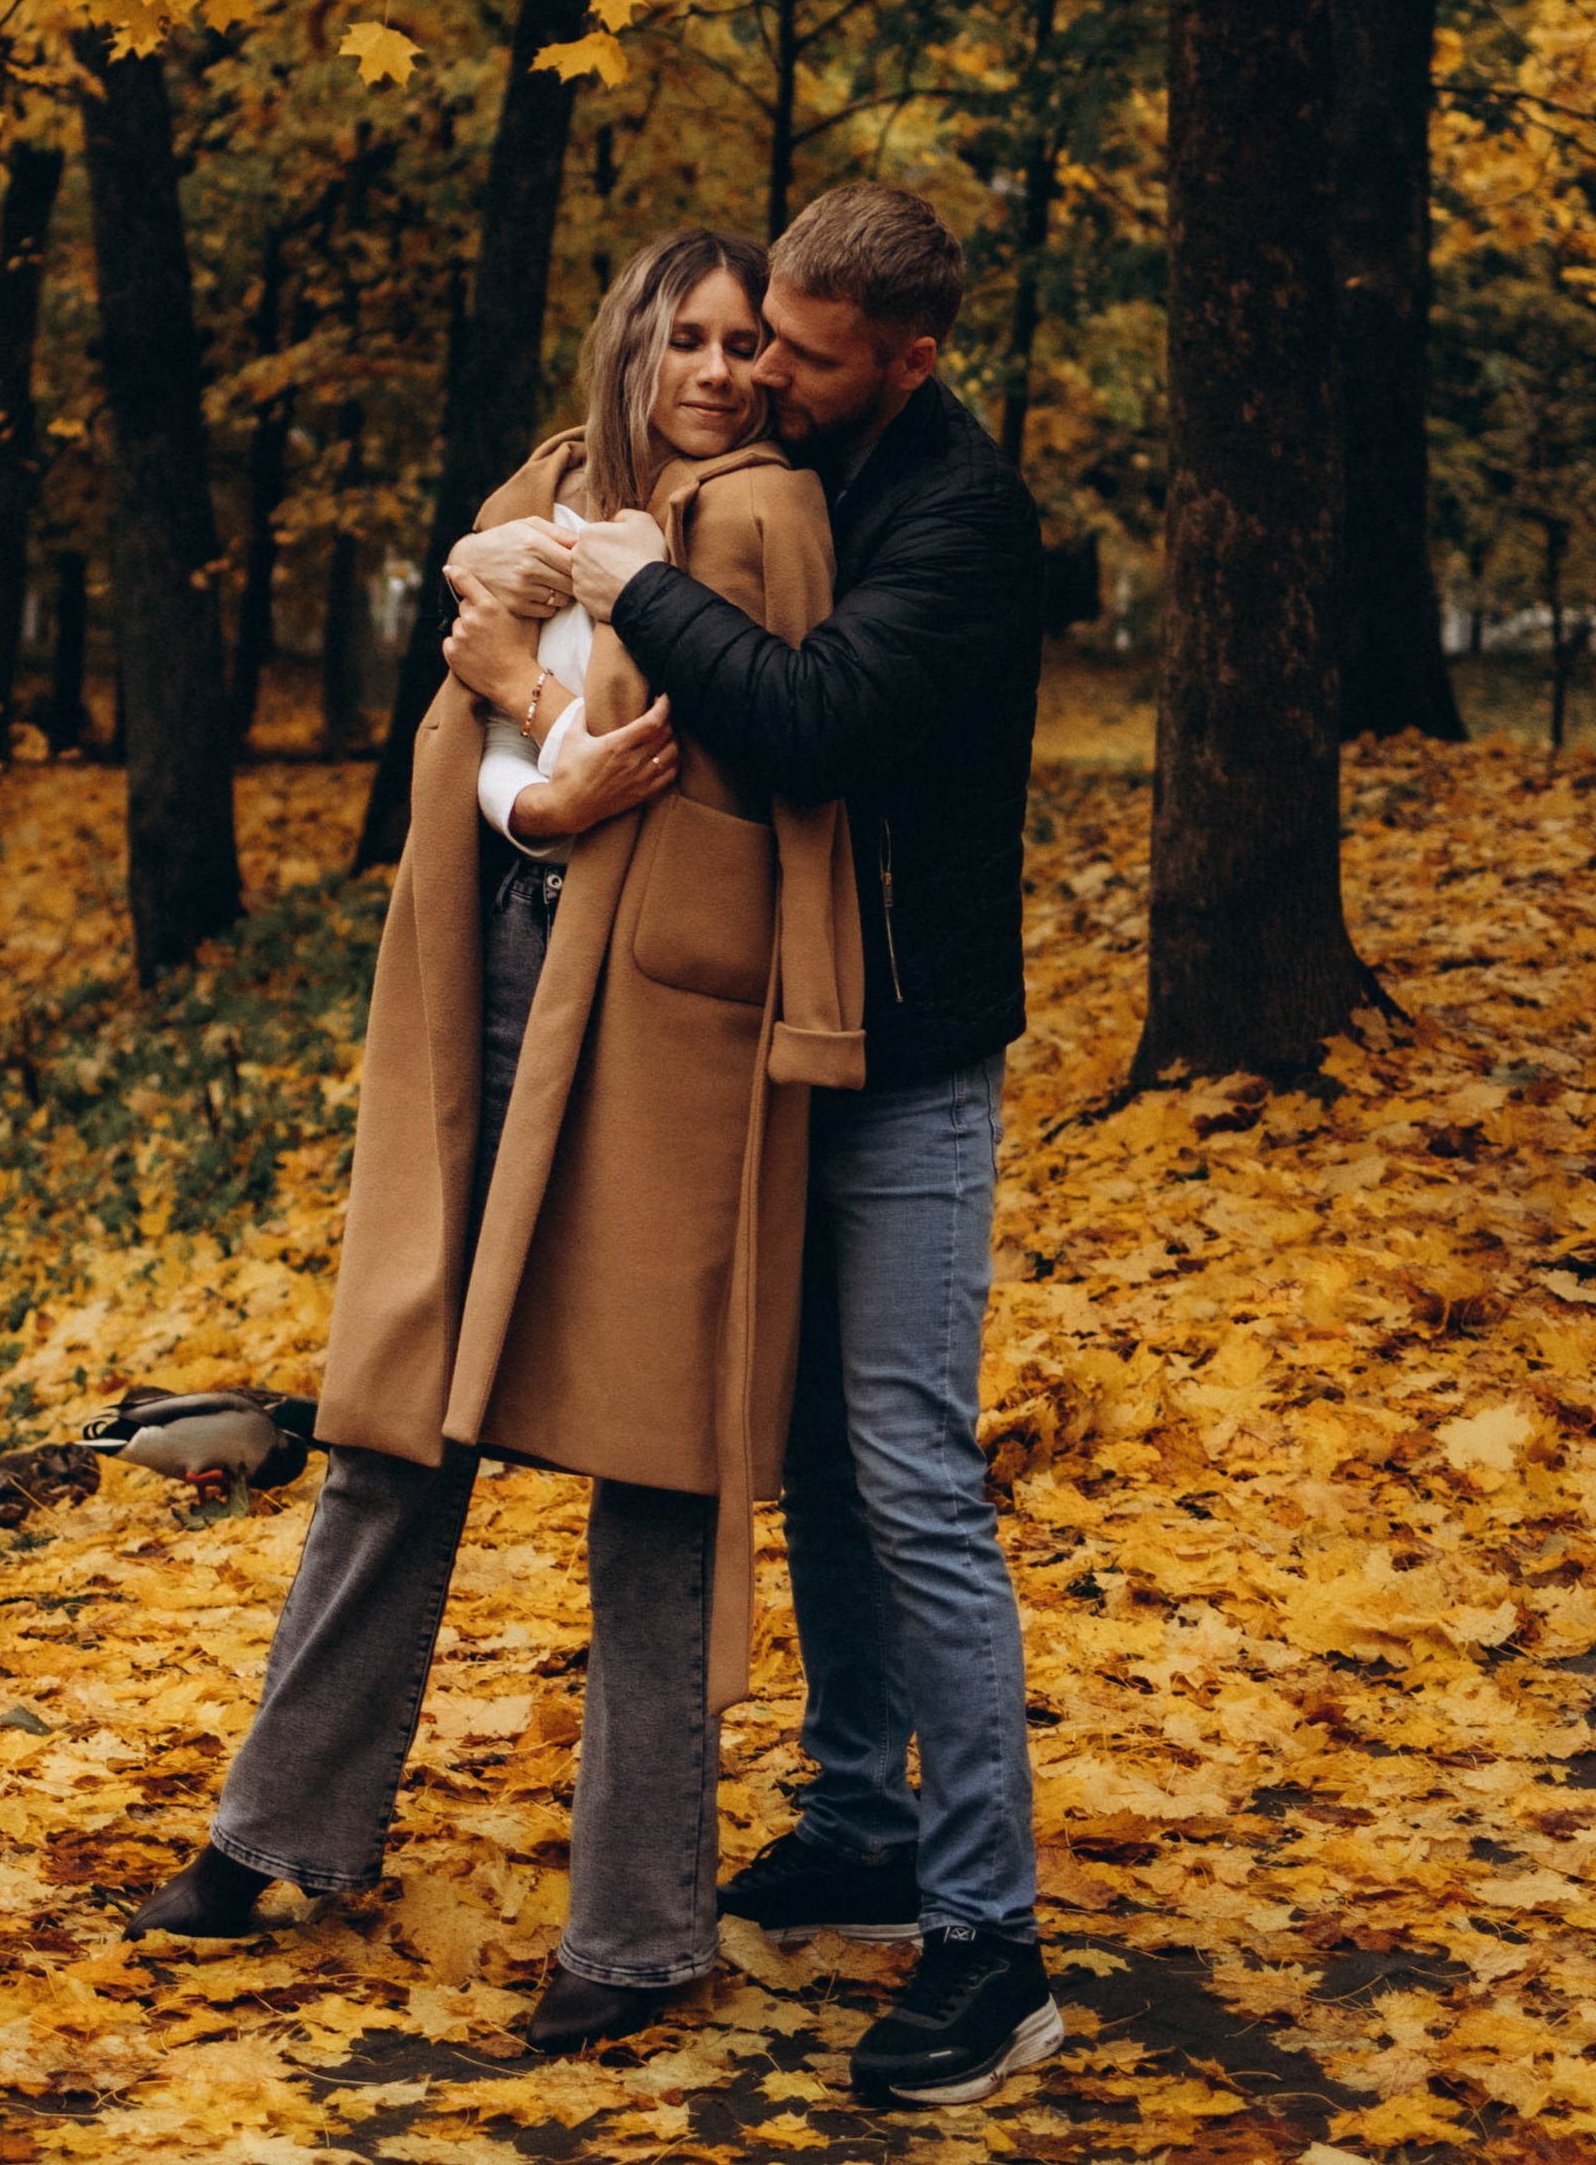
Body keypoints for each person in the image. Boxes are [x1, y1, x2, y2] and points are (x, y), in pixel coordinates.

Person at [125, 227, 864, 2052]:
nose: (715, 366)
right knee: (393, 1425)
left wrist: (547, 703)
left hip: (665, 1026)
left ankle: (633, 1933)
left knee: (657, 1474)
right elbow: (476, 708)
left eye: (741, 341)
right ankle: (274, 1829)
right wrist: (538, 752)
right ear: (629, 344)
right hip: (502, 985)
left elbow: (727, 747)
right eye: (683, 335)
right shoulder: (542, 489)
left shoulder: (765, 514)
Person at [552, 179, 1056, 2114]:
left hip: (917, 1061)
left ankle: (993, 1942)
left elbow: (803, 723)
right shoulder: (810, 465)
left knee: (915, 1474)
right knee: (821, 1461)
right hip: (803, 1049)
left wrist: (629, 588)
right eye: (755, 334)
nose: (760, 370)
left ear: (907, 359)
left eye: (802, 353)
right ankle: (861, 1813)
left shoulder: (956, 518)